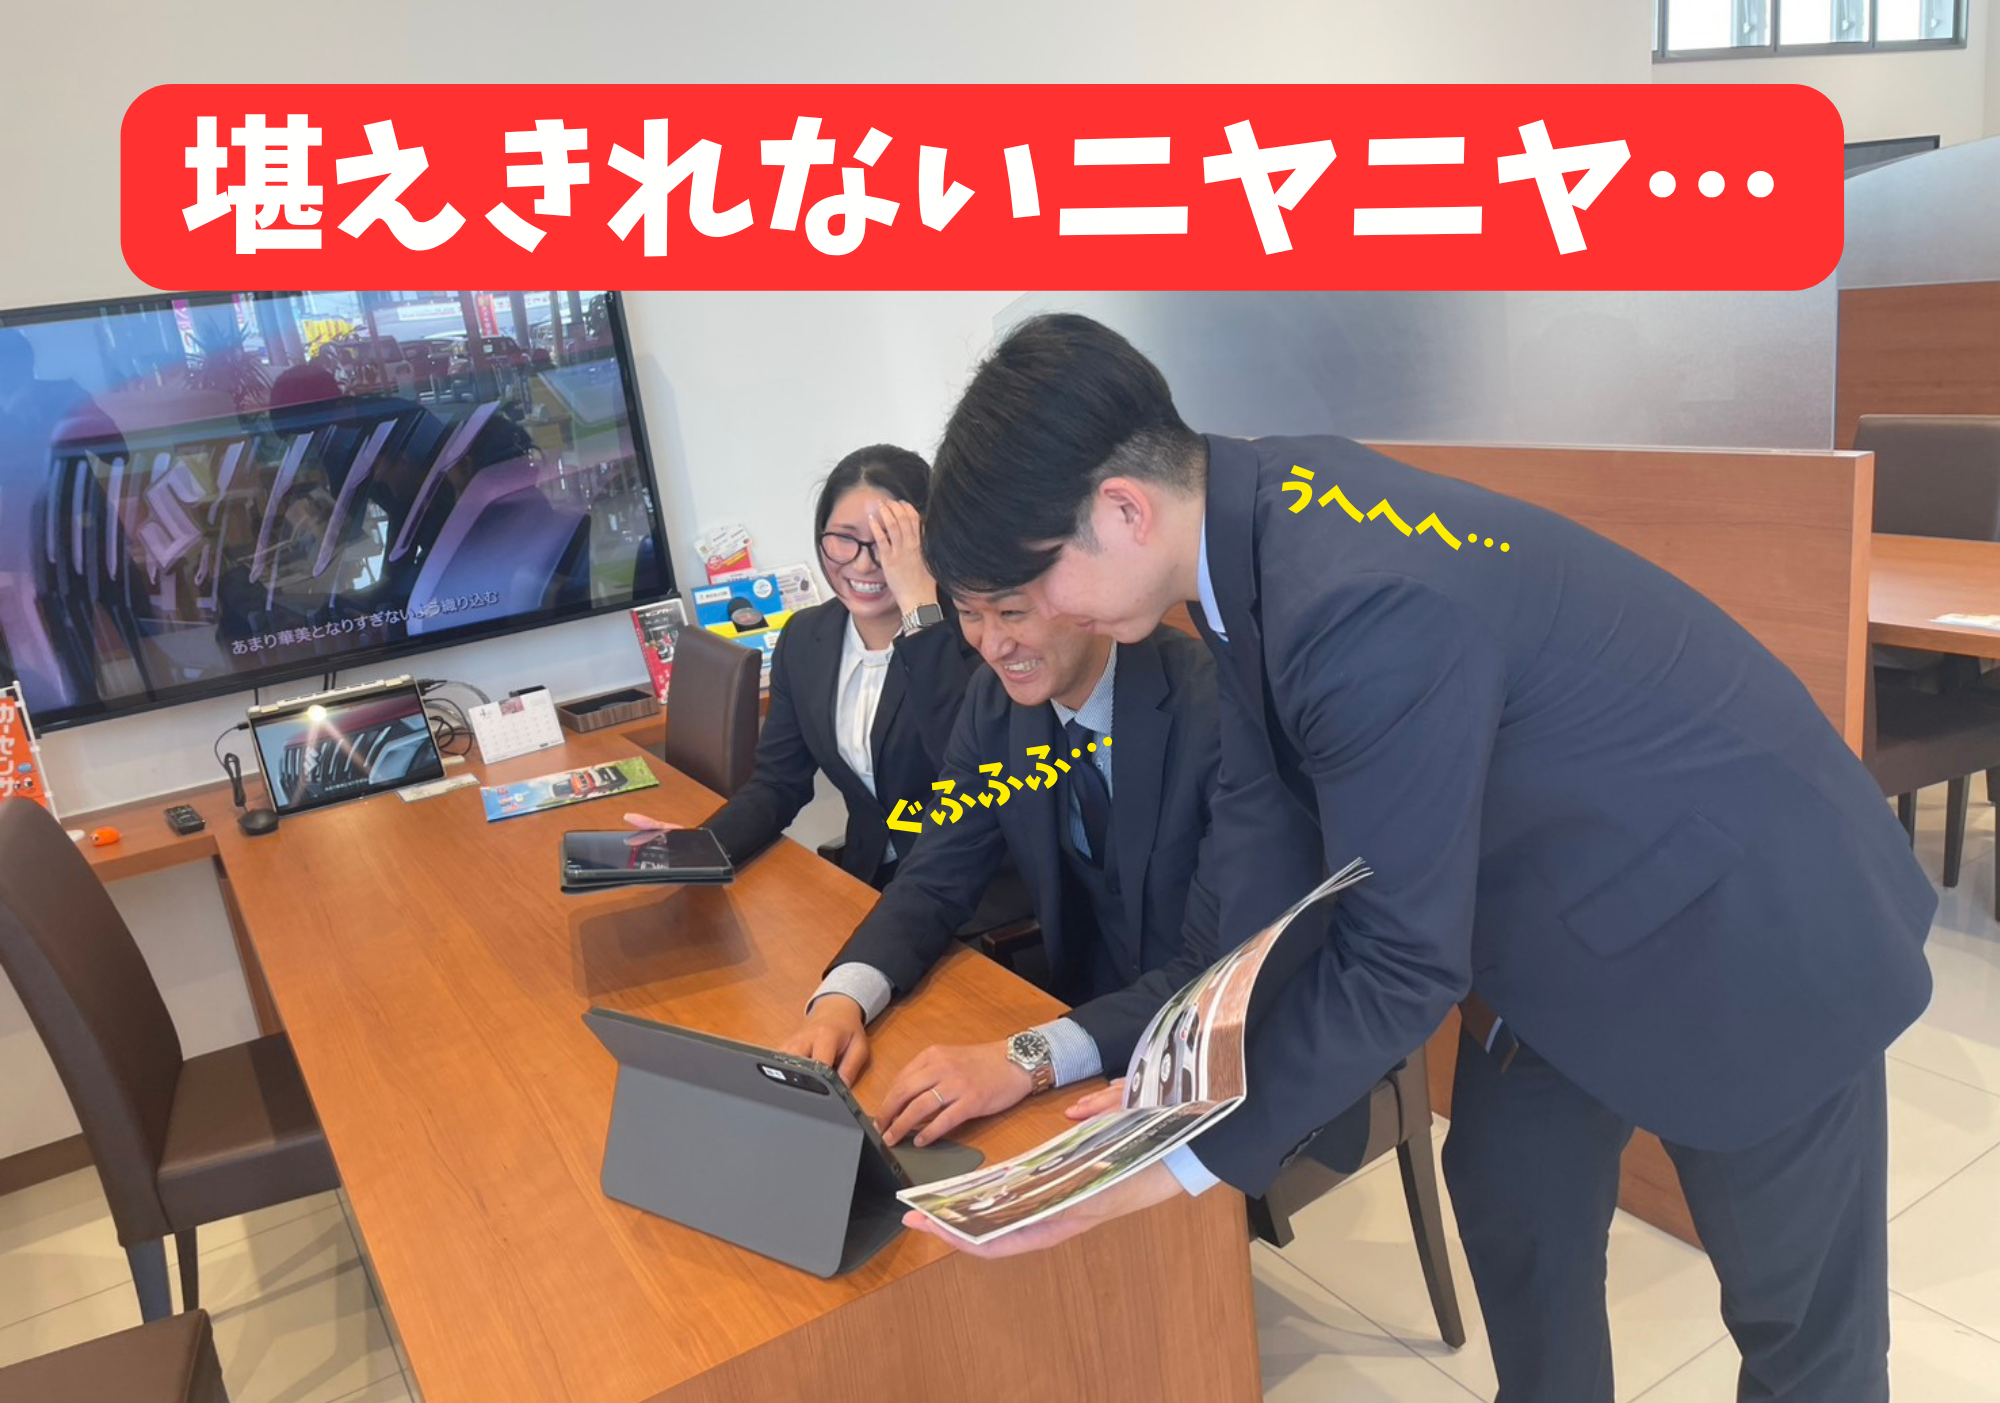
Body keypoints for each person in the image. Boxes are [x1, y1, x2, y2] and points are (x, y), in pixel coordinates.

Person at [909, 313, 1936, 1403]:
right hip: (1571, 908)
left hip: (1747, 913)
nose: (1026, 624)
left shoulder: (1354, 596)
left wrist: (1182, 1162)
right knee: (1512, 1194)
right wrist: (1181, 1073)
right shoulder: (1245, 526)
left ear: (1122, 511)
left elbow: (1398, 960)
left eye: (1027, 590)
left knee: (1800, 1328)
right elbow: (1264, 826)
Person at [779, 585, 1287, 1154]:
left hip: (1234, 1040)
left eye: (1012, 612)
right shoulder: (994, 703)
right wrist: (843, 997)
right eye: (969, 614)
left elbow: (1223, 965)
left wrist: (1027, 1058)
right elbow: (935, 874)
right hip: (1087, 1018)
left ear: (1084, 585)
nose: (992, 645)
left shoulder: (1220, 706)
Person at [627, 444, 978, 889]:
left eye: (889, 541)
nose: (864, 562)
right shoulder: (807, 638)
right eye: (844, 538)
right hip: (872, 880)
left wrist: (919, 608)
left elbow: (973, 772)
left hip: (973, 887)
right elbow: (778, 784)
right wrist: (700, 847)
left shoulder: (976, 632)